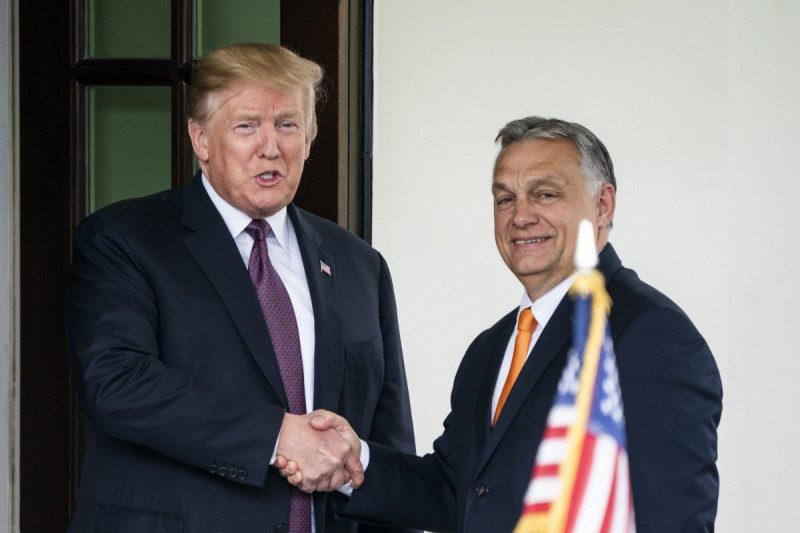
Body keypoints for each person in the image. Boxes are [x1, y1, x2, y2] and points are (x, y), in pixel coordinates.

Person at [280, 116, 723, 532]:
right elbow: (455, 490)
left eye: (545, 194)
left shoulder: (650, 336)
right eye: (505, 199)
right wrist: (355, 461)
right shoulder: (490, 349)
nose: (521, 216)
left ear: (603, 204)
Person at [65, 43, 418, 533]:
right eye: (247, 125)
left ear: (310, 139)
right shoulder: (125, 239)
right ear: (201, 139)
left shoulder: (360, 265)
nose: (269, 146)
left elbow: (388, 445)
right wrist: (279, 437)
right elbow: (117, 383)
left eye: (288, 125)